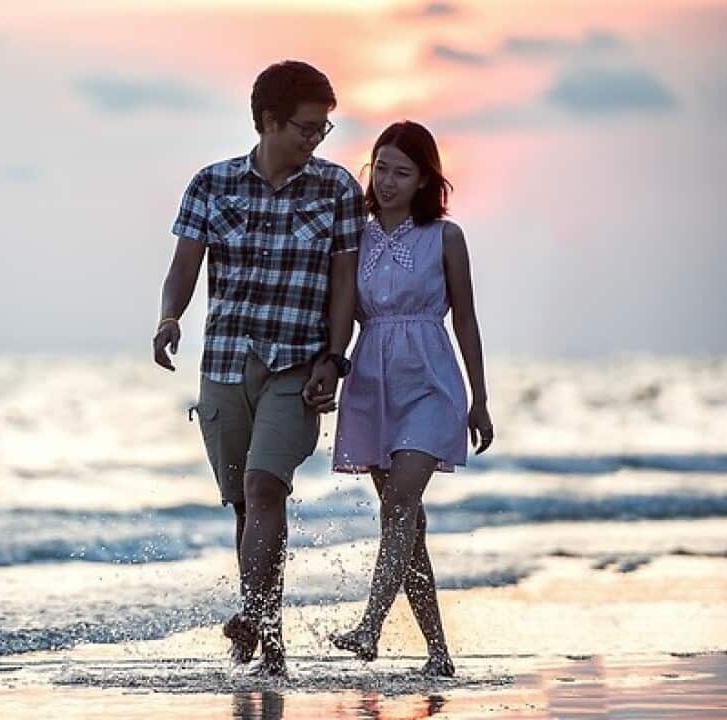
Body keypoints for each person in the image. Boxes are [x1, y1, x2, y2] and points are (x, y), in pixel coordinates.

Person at [153, 60, 366, 677]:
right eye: (307, 127)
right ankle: (268, 645)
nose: (316, 139)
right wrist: (169, 318)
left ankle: (252, 618)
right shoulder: (211, 184)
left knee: (266, 486)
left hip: (297, 365)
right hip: (225, 363)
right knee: (246, 506)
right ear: (269, 122)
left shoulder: (336, 189)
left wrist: (335, 358)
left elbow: (344, 284)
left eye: (323, 128)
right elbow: (184, 267)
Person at [329, 120, 494, 677]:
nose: (388, 181)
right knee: (406, 525)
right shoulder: (355, 235)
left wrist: (480, 398)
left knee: (399, 505)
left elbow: (465, 318)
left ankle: (369, 627)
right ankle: (439, 654)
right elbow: (338, 310)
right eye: (381, 168)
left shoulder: (446, 237)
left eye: (402, 172)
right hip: (371, 383)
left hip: (430, 381)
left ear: (425, 179)